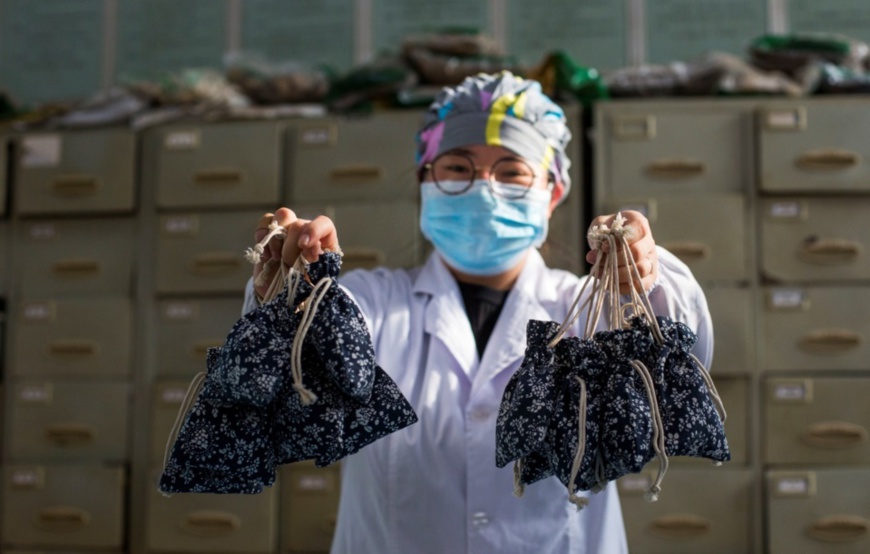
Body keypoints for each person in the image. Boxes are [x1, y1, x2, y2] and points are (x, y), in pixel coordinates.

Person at [243, 71, 713, 554]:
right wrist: (291, 293)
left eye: (511, 172)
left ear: (551, 193)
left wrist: (645, 281)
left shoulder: (590, 318)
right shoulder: (373, 306)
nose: (483, 187)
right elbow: (283, 387)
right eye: (457, 169)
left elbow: (682, 371)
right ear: (425, 180)